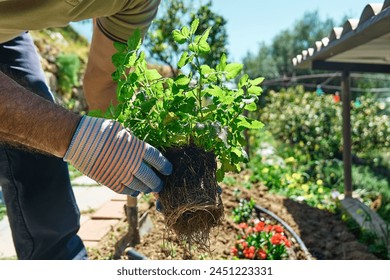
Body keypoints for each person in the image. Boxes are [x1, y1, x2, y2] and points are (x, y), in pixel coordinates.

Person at [0, 0, 172, 260]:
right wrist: (73, 136)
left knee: (41, 151)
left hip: (9, 32)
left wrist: (130, 149)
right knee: (46, 128)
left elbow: (107, 82)